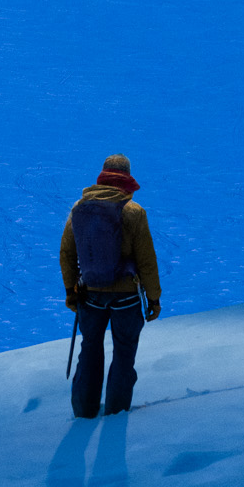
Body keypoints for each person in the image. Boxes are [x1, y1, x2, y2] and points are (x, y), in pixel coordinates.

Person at [58, 153, 160, 418]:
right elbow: (146, 259)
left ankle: (83, 411)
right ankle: (116, 412)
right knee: (124, 353)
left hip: (90, 295)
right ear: (127, 178)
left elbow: (67, 253)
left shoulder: (79, 208)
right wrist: (154, 297)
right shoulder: (134, 211)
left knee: (90, 349)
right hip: (126, 296)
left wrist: (71, 291)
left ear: (102, 176)